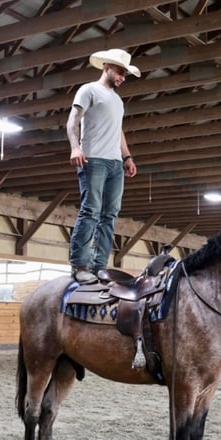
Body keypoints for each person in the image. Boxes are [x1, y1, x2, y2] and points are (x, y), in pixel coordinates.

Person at [66, 48, 139, 284]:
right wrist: (75, 147)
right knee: (91, 210)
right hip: (93, 159)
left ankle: (99, 267)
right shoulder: (88, 90)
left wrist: (127, 157)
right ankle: (80, 265)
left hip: (115, 164)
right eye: (120, 72)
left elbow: (118, 131)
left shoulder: (118, 100)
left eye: (125, 75)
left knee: (110, 215)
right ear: (106, 67)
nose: (122, 78)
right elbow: (72, 121)